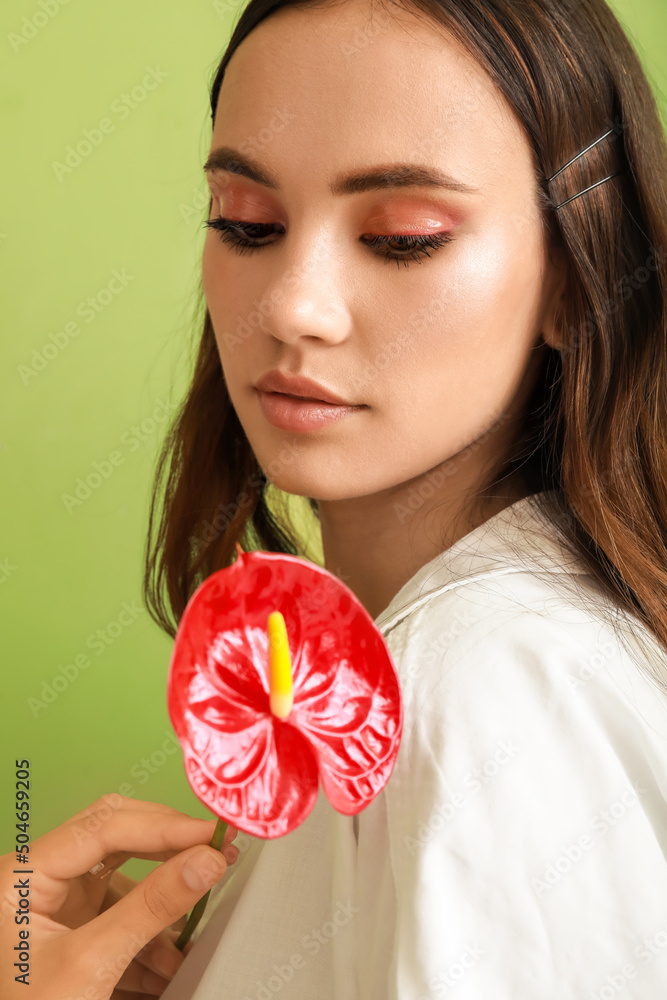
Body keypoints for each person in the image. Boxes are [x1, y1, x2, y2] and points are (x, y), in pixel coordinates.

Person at [4, 0, 666, 995]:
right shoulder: (427, 667)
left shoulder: (488, 680)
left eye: (403, 236)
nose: (290, 304)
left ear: (577, 283)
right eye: (246, 221)